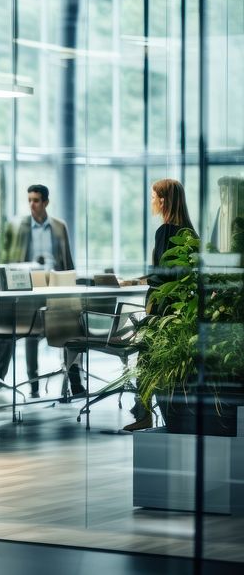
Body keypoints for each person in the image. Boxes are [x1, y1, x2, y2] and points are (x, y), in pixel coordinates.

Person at [0, 184, 81, 398]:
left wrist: (71, 286)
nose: (32, 205)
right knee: (27, 333)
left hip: (54, 285)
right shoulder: (20, 227)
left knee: (69, 329)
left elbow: (67, 260)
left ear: (46, 202)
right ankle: (29, 382)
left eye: (36, 200)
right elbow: (11, 260)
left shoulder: (58, 227)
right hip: (28, 285)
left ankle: (74, 380)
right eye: (29, 200)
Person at [123, 178, 196, 431]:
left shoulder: (164, 231)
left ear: (164, 200)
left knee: (146, 361)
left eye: (154, 196)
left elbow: (164, 274)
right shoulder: (188, 232)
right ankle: (149, 414)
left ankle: (143, 414)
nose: (152, 201)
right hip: (180, 309)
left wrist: (137, 281)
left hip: (162, 308)